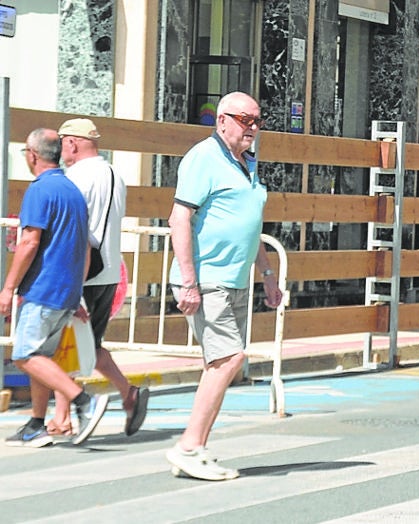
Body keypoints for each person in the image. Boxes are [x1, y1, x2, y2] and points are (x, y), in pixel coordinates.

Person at [166, 91, 283, 481]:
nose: (252, 127)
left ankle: (196, 447)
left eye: (257, 120)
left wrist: (267, 275)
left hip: (235, 278)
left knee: (221, 363)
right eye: (244, 119)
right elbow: (179, 219)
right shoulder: (204, 158)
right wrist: (188, 281)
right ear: (222, 121)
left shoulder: (247, 162)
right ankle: (188, 446)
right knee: (229, 359)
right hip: (207, 278)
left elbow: (250, 224)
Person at [1, 128, 109, 447]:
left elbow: (30, 241)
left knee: (24, 355)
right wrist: (75, 293)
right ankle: (36, 424)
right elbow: (84, 248)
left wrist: (8, 288)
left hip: (42, 288)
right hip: (65, 292)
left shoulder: (40, 190)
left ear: (32, 155)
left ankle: (83, 400)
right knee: (42, 358)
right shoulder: (72, 190)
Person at [44, 118, 149, 438]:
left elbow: (72, 228)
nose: (61, 150)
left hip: (81, 271)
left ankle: (63, 417)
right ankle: (127, 394)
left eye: (63, 143)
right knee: (86, 342)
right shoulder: (115, 174)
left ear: (73, 143)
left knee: (64, 342)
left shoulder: (74, 177)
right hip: (107, 272)